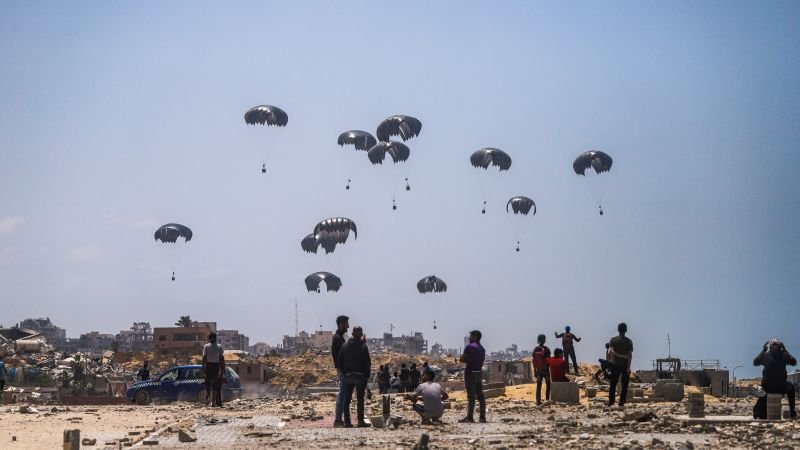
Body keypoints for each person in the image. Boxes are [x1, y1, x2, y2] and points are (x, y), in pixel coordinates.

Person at [753, 338, 797, 419]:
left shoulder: (765, 355)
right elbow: (794, 362)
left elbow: (755, 363)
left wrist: (763, 350)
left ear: (770, 346)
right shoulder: (784, 355)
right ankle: (792, 412)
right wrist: (785, 350)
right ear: (780, 346)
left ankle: (759, 413)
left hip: (767, 388)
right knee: (791, 387)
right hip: (781, 388)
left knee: (760, 389)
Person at [338, 326, 371, 427]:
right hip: (360, 376)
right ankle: (360, 421)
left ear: (352, 334)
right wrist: (367, 376)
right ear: (360, 335)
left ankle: (347, 422)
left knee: (347, 400)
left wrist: (345, 373)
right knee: (360, 399)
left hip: (348, 376)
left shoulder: (344, 346)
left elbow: (340, 362)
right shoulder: (363, 346)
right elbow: (367, 363)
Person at [459, 330, 486, 423]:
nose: (469, 338)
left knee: (471, 396)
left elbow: (462, 359)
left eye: (471, 336)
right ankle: (482, 417)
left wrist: (465, 359)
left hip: (470, 373)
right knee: (480, 395)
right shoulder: (482, 348)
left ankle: (470, 417)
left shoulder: (469, 346)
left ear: (474, 337)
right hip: (478, 373)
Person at [607, 323, 633, 407]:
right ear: (626, 330)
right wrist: (628, 367)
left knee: (613, 385)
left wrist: (618, 356)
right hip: (625, 365)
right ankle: (621, 403)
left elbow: (611, 352)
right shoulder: (629, 341)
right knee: (624, 386)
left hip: (615, 365)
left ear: (618, 330)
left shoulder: (613, 340)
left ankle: (611, 402)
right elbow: (630, 356)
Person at [331, 315, 349, 427]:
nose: (348, 326)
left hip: (342, 368)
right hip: (342, 369)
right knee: (342, 393)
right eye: (346, 323)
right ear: (341, 324)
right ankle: (338, 419)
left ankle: (339, 419)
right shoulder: (338, 338)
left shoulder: (340, 338)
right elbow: (339, 357)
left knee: (343, 393)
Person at [202, 332, 225, 407]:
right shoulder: (219, 346)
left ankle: (211, 401)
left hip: (210, 366)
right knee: (213, 385)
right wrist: (222, 369)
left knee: (209, 384)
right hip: (214, 366)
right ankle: (212, 401)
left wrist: (203, 367)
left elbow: (204, 358)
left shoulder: (207, 346)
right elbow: (221, 359)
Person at [532, 334, 551, 405]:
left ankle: (538, 401)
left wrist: (535, 371)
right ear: (544, 340)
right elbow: (548, 360)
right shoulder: (547, 349)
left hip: (539, 370)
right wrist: (548, 369)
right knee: (548, 384)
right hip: (546, 370)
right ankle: (547, 399)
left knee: (539, 385)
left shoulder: (536, 349)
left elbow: (533, 361)